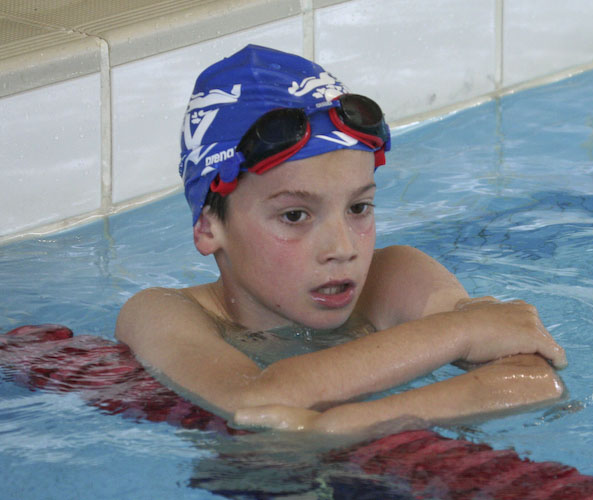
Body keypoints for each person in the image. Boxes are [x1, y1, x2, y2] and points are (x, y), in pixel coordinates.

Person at [115, 44, 567, 435]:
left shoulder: (394, 275)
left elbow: (534, 379)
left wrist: (339, 426)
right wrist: (464, 329)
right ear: (208, 227)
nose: (343, 248)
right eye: (295, 216)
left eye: (358, 208)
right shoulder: (160, 313)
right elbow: (252, 402)